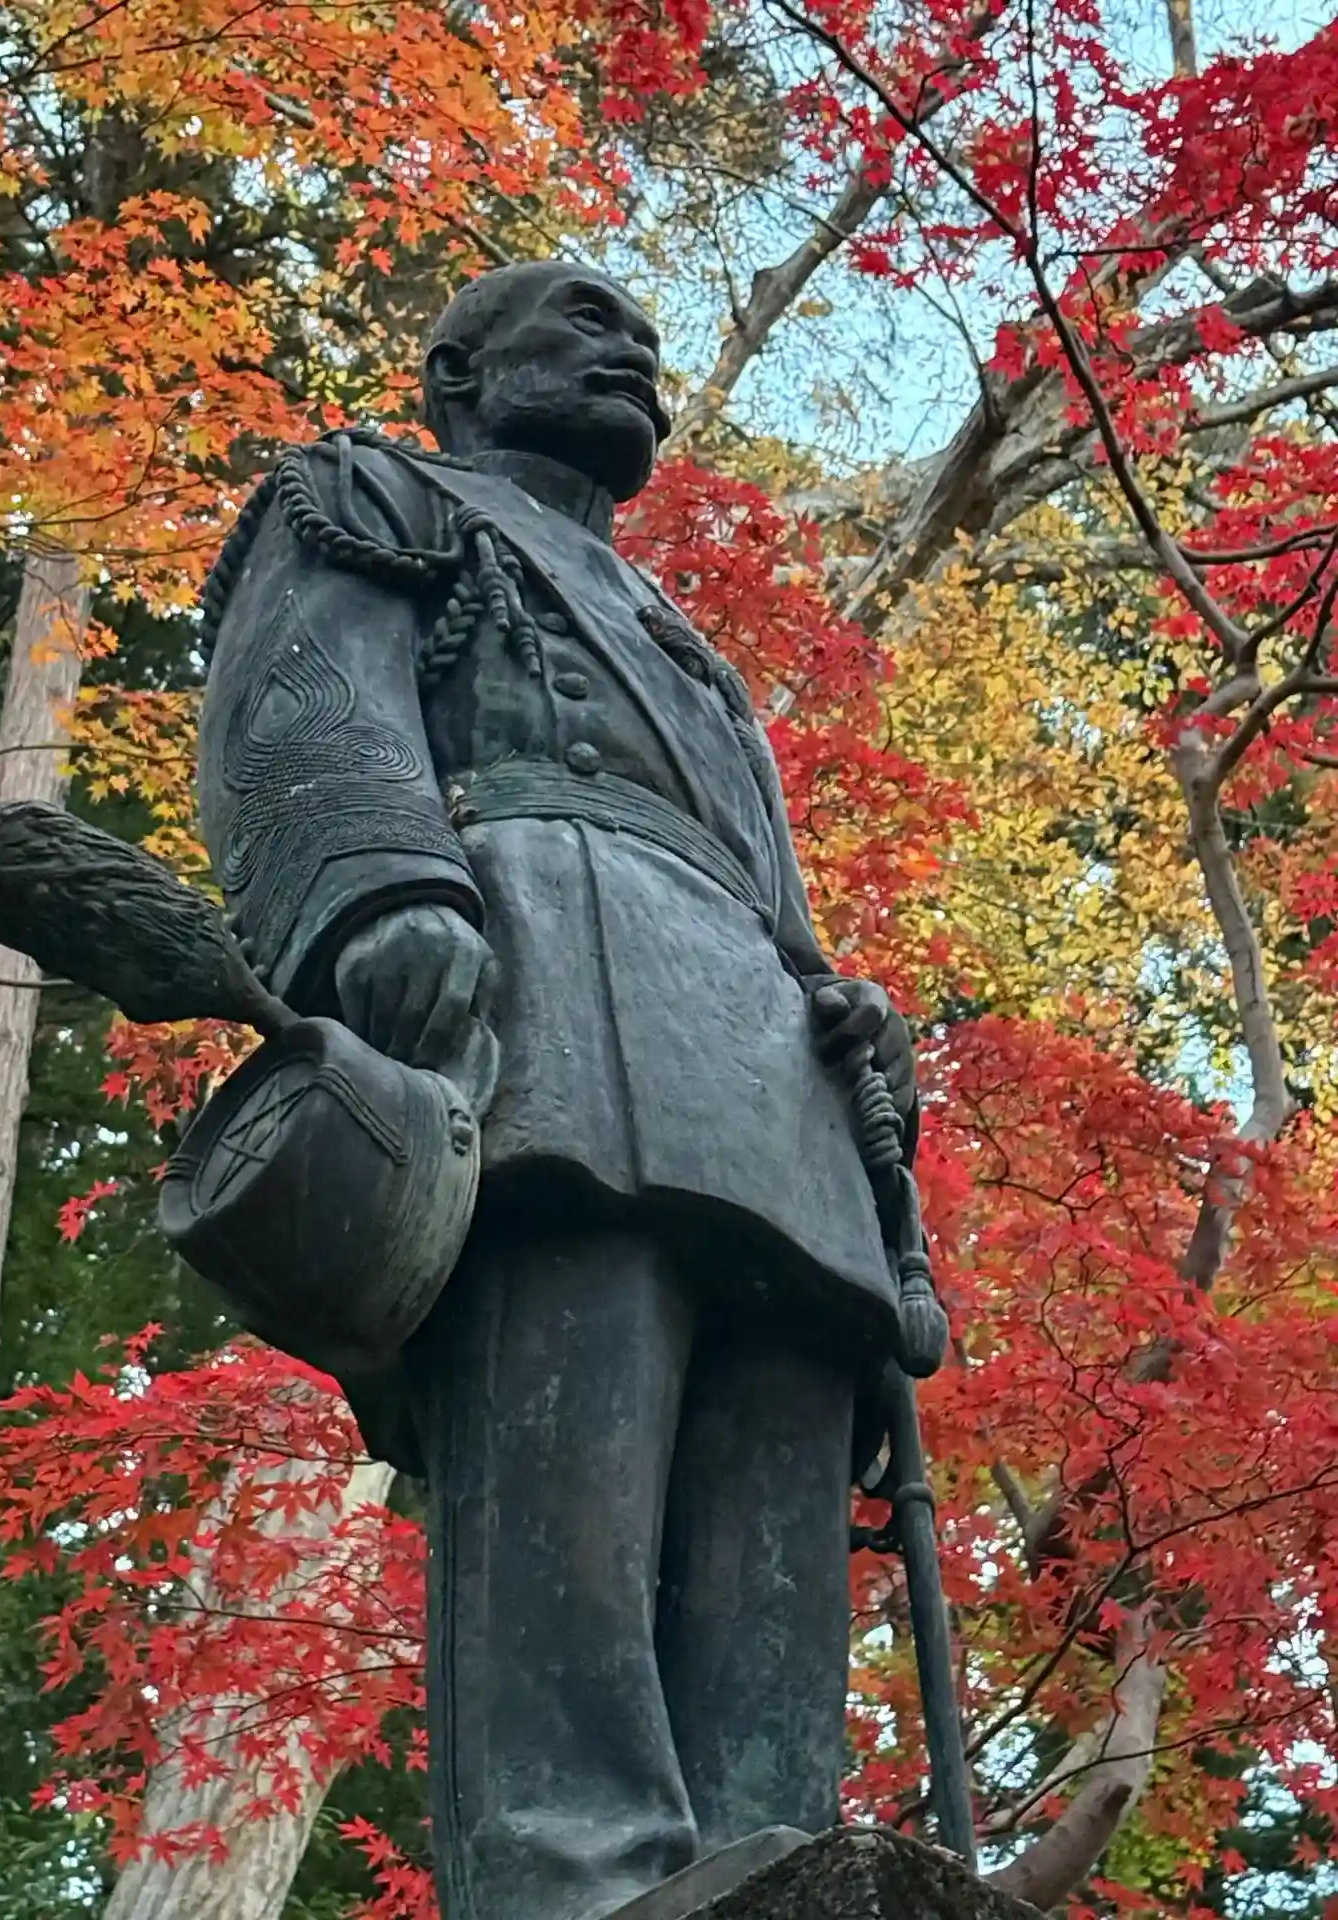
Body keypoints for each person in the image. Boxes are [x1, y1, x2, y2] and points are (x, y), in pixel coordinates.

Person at [196, 259, 919, 1920]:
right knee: (568, 1465)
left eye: (650, 342)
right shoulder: (374, 496)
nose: (634, 356)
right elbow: (304, 702)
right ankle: (574, 1880)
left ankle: (769, 1868)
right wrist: (382, 892)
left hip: (768, 1068)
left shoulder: (693, 659)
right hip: (548, 992)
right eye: (588, 326)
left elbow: (776, 903)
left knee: (776, 1496)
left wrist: (857, 1022)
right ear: (459, 373)